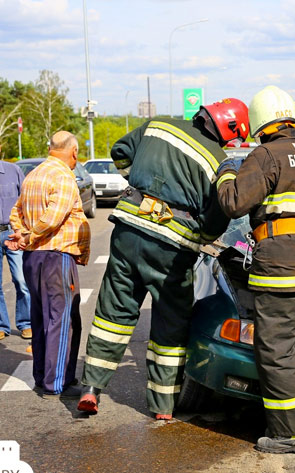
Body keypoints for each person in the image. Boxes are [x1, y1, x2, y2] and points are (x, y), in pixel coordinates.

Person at [78, 98, 249, 420]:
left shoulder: (159, 125)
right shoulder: (218, 161)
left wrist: (138, 182)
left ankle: (91, 388)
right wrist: (201, 237)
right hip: (171, 250)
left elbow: (120, 151)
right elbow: (217, 217)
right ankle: (162, 406)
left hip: (128, 231)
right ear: (229, 130)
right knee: (170, 322)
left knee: (113, 312)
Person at [216, 86, 295, 454]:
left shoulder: (266, 155)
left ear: (261, 124)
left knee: (275, 350)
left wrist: (226, 172)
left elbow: (234, 203)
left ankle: (291, 436)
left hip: (278, 271)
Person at [7, 131, 90, 398]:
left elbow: (15, 211)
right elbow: (54, 218)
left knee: (42, 316)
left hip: (34, 257)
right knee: (62, 318)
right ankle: (57, 382)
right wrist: (29, 235)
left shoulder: (34, 174)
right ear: (73, 151)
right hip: (56, 256)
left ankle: (42, 376)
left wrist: (22, 234)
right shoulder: (63, 175)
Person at [0, 145, 31, 341]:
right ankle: (2, 325)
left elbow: (25, 202)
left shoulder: (14, 171)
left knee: (21, 279)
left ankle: (26, 323)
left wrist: (24, 231)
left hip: (13, 232)